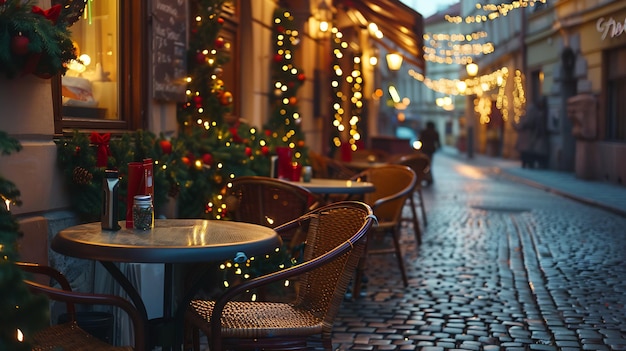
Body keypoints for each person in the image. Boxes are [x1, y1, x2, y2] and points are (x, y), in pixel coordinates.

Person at [514, 98, 548, 168]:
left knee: (528, 150)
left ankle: (527, 164)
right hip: (529, 135)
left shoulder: (533, 110)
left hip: (529, 135)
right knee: (528, 150)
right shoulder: (533, 110)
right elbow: (530, 122)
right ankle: (529, 164)